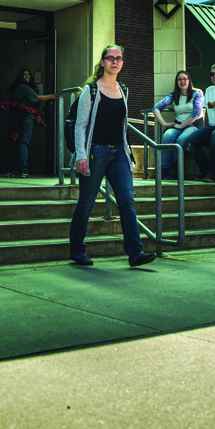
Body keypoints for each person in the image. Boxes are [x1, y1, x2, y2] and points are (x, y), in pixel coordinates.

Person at [68, 45, 156, 268]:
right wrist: (81, 155)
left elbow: (123, 125)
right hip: (95, 152)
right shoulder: (91, 90)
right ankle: (77, 251)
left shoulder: (123, 90)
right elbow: (80, 125)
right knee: (86, 203)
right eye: (110, 58)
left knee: (127, 202)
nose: (115, 62)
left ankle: (135, 253)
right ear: (102, 62)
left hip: (119, 154)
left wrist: (126, 153)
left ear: (122, 63)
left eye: (118, 59)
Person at [5, 68, 56, 178]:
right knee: (23, 142)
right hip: (24, 118)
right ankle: (23, 169)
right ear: (20, 77)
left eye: (28, 74)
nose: (27, 76)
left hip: (20, 117)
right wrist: (51, 97)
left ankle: (10, 169)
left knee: (20, 143)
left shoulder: (22, 88)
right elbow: (36, 99)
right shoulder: (23, 87)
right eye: (24, 75)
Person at [152, 70, 203, 179]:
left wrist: (182, 125)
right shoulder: (172, 96)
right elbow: (156, 108)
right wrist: (164, 123)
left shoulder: (197, 93)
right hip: (178, 124)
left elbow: (197, 112)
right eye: (180, 79)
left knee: (182, 139)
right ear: (177, 82)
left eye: (185, 79)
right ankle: (165, 168)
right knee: (167, 136)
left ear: (189, 80)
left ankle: (174, 162)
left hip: (193, 125)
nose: (182, 81)